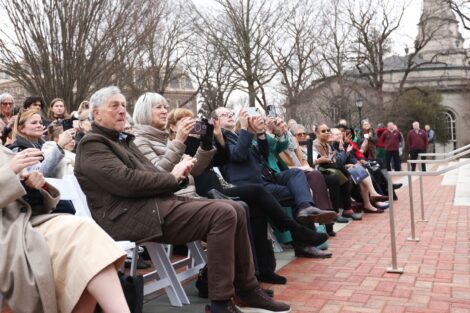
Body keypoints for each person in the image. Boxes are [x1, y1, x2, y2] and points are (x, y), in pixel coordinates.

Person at [74, 86, 290, 313]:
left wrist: (182, 169)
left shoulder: (122, 141)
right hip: (130, 216)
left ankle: (247, 289)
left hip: (154, 205)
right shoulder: (93, 144)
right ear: (96, 113)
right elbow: (128, 182)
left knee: (235, 208)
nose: (121, 111)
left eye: (123, 106)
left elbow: (152, 175)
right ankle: (221, 303)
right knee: (224, 213)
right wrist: (173, 176)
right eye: (114, 106)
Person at [0, 145, 129, 313]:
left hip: (26, 224)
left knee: (84, 234)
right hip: (8, 234)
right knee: (79, 246)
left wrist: (35, 187)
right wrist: (9, 173)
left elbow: (23, 203)